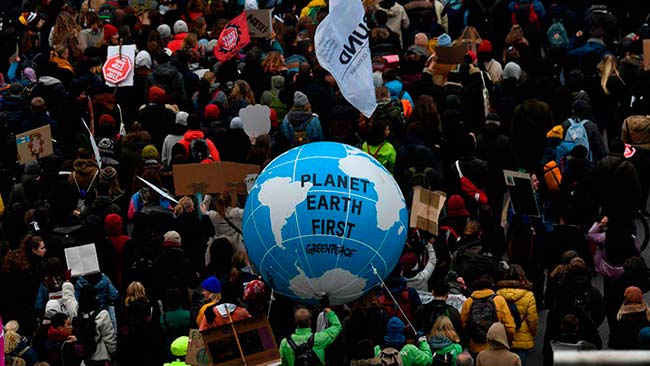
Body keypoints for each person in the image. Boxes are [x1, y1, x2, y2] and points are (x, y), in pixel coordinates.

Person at [460, 275, 516, 355]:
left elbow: (463, 325)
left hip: (475, 346)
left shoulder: (469, 301)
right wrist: (507, 342)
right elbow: (510, 328)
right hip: (495, 346)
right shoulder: (498, 300)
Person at [496, 265, 538, 364]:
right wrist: (533, 333)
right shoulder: (528, 295)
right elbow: (532, 318)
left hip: (505, 336)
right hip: (523, 336)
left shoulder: (498, 293)